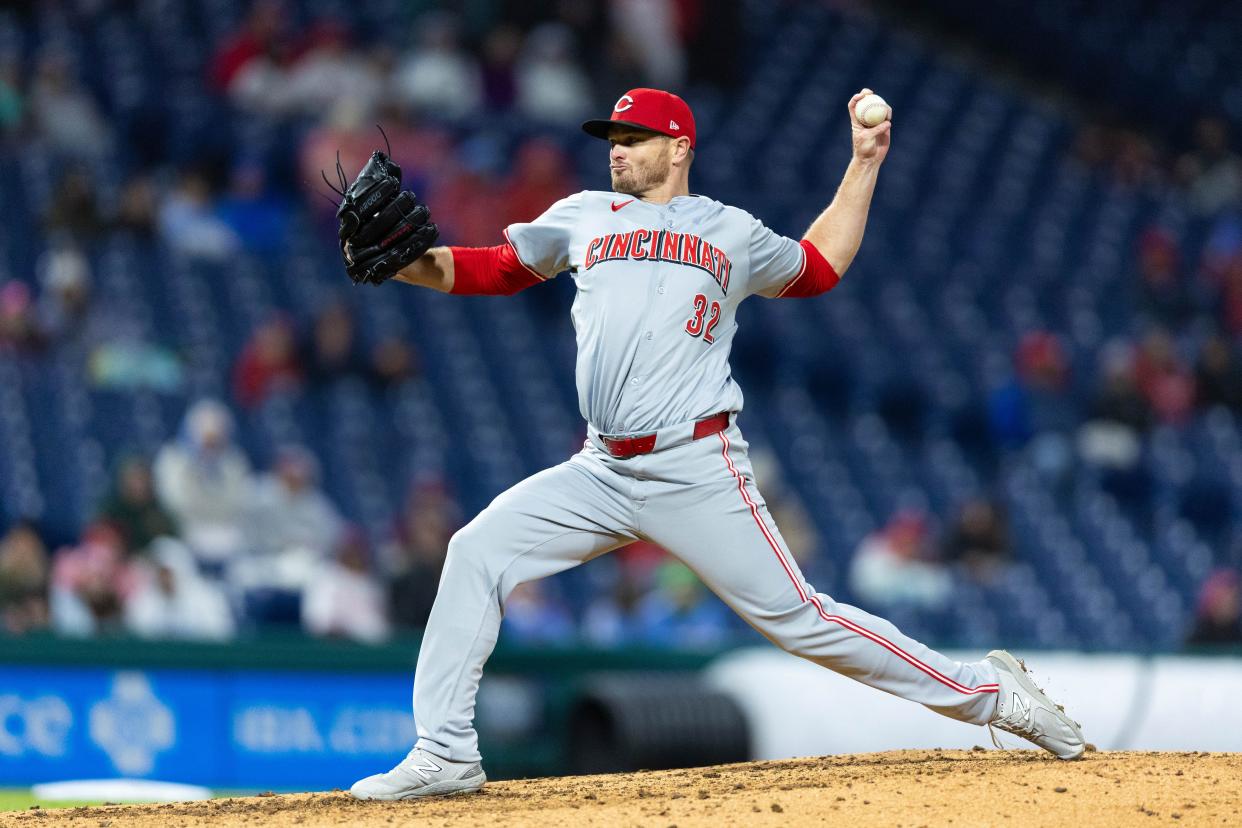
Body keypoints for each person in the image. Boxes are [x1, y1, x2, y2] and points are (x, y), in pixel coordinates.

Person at [346, 87, 1085, 801]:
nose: (617, 152)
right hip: (601, 467)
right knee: (475, 550)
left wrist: (864, 163)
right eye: (612, 140)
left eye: (632, 140)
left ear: (678, 147)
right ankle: (443, 751)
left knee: (805, 622)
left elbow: (818, 266)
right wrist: (409, 263)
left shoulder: (730, 229)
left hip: (695, 467)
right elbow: (493, 269)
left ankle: (993, 697)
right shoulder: (584, 215)